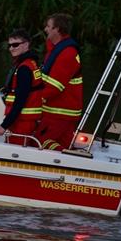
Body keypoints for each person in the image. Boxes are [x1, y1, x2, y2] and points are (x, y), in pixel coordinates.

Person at [34, 13, 83, 151]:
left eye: (49, 26)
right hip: (64, 111)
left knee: (39, 141)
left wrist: (33, 98)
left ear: (58, 29)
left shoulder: (66, 53)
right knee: (62, 142)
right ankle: (70, 161)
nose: (45, 29)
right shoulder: (57, 49)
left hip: (58, 111)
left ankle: (67, 161)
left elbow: (54, 87)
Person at [0, 29, 43, 146]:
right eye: (9, 45)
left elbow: (20, 100)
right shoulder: (31, 63)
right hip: (27, 120)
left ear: (26, 44)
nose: (11, 48)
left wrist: (4, 125)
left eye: (15, 45)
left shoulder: (24, 68)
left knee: (15, 150)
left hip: (22, 121)